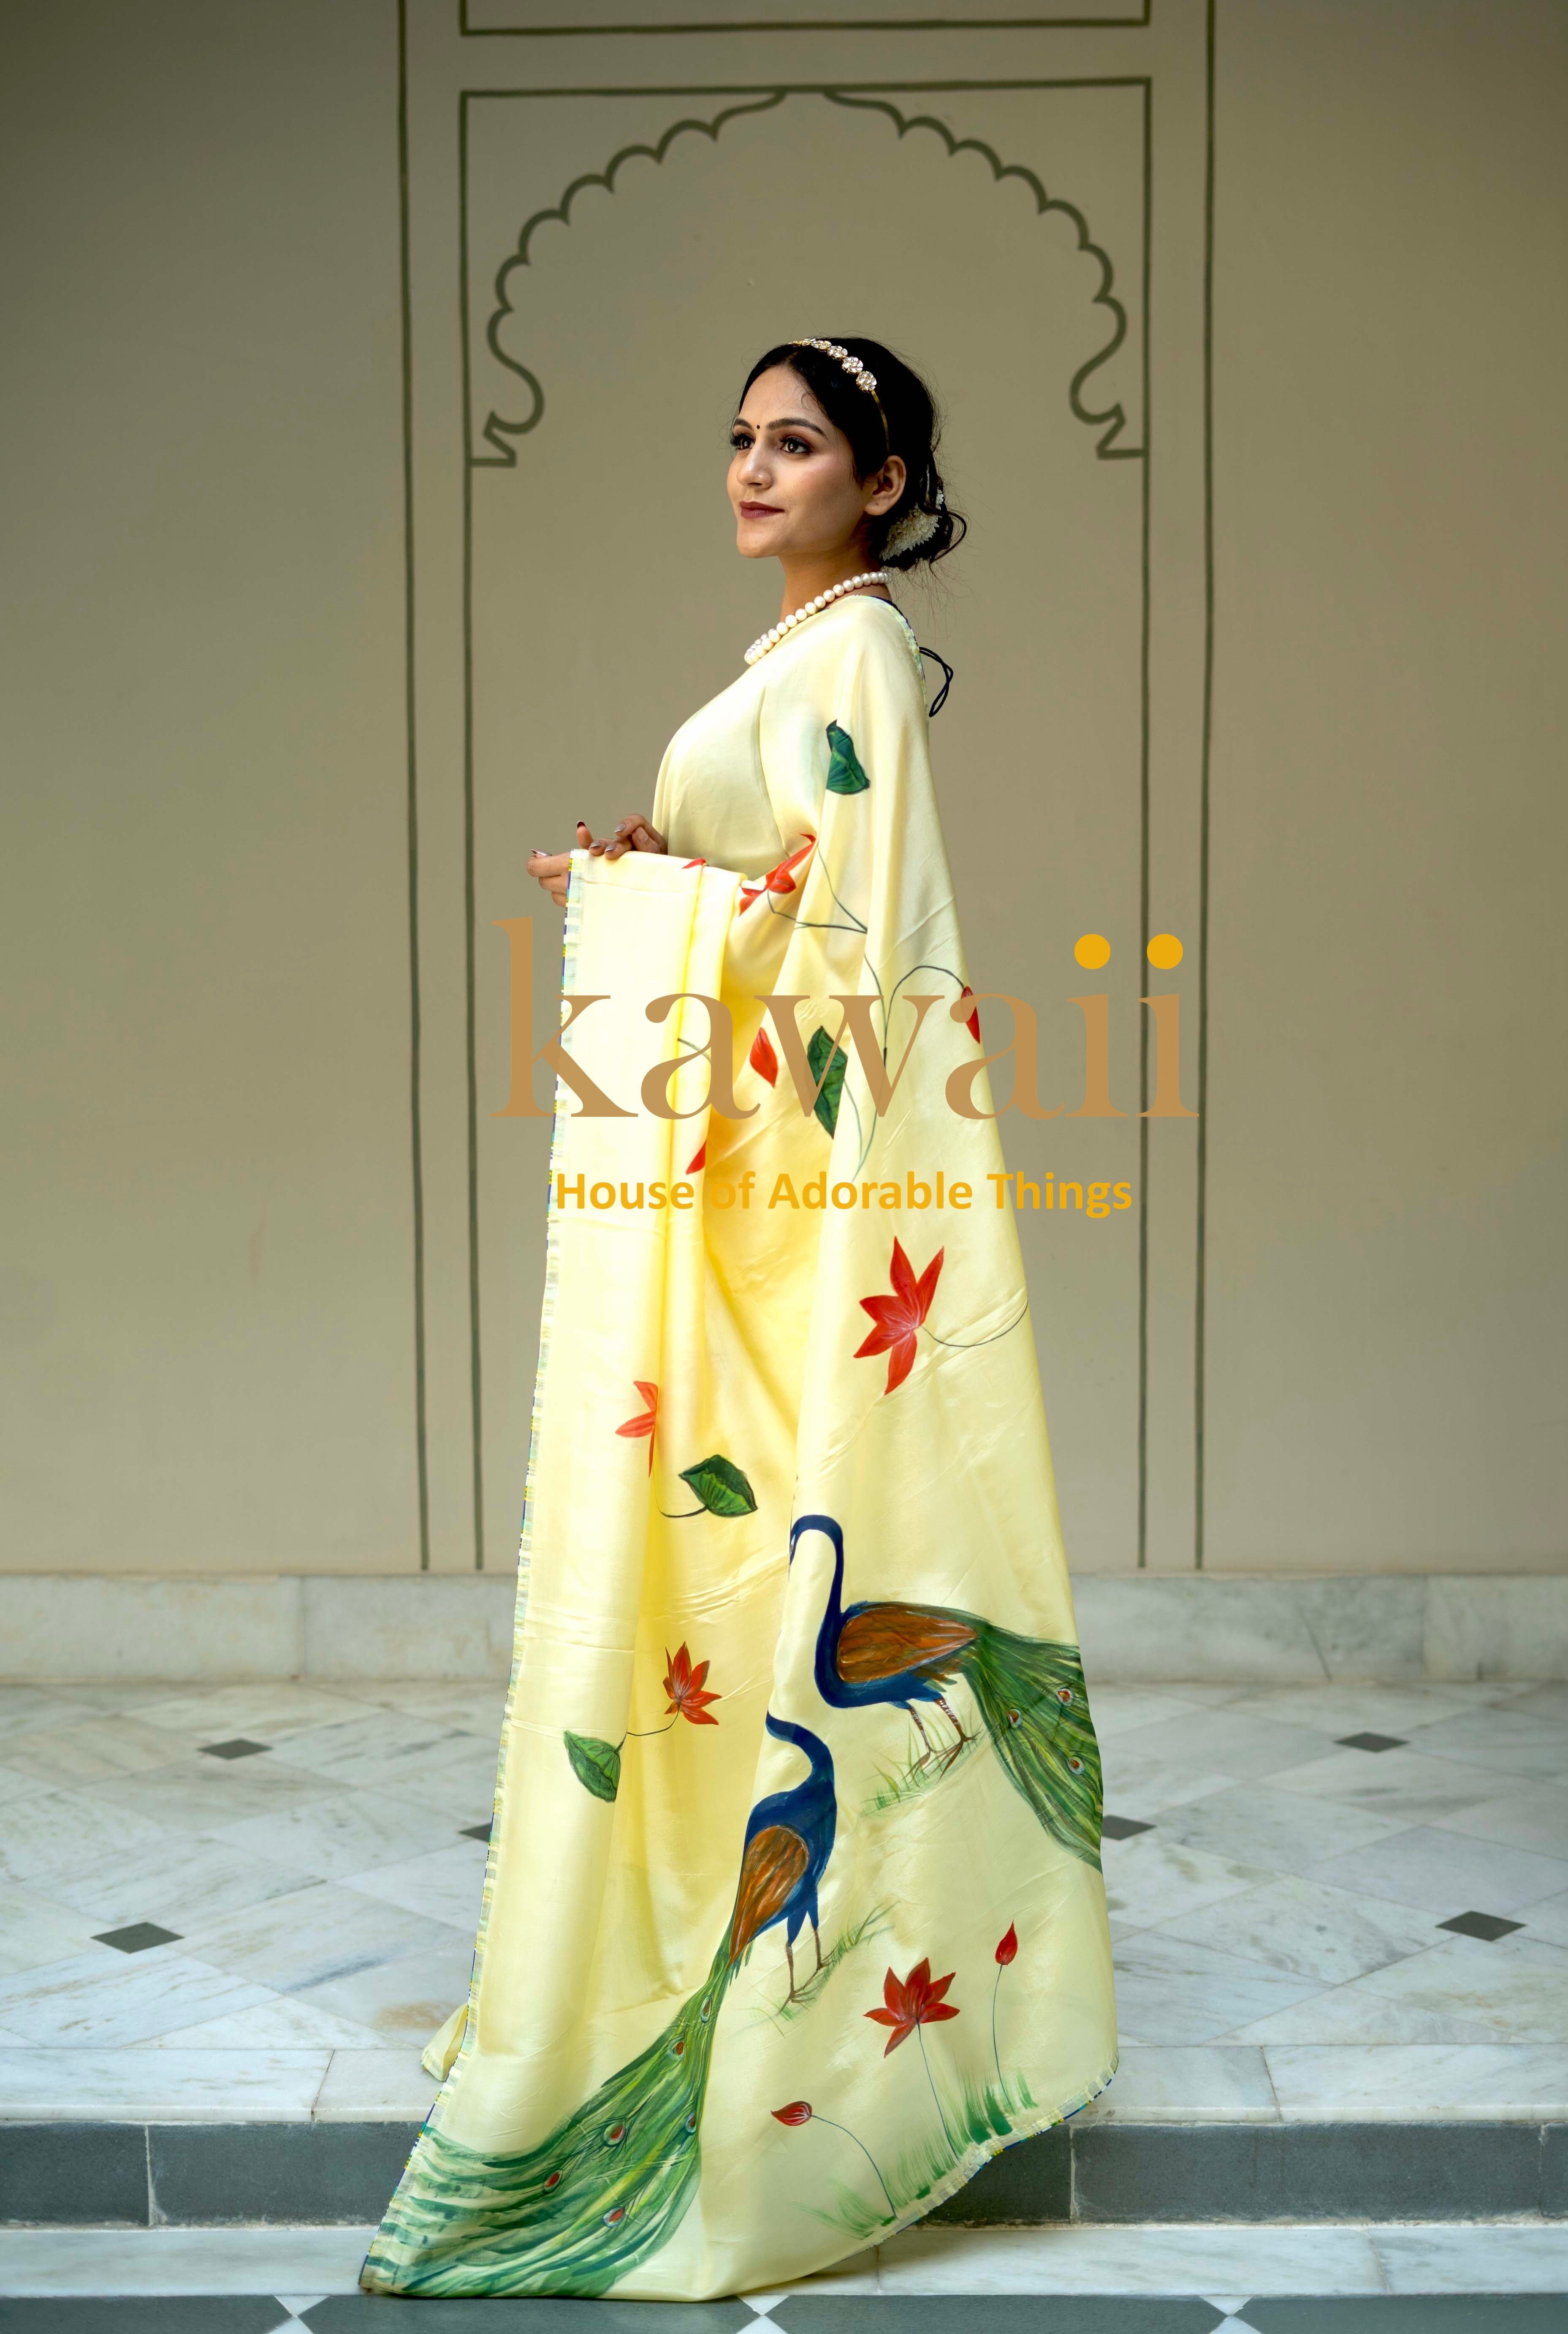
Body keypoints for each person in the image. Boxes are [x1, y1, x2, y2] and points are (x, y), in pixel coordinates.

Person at [361, 337, 1116, 2304]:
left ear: (878, 481)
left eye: (795, 444)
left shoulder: (854, 653)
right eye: (738, 439)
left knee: (781, 1572)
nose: (751, 469)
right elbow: (771, 891)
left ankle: (806, 2054)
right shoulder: (795, 664)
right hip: (755, 1165)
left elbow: (850, 940)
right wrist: (648, 878)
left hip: (801, 1201)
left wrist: (674, 914)